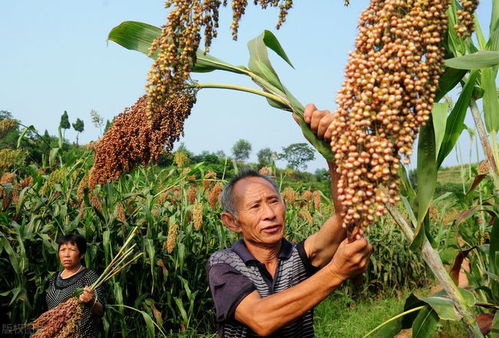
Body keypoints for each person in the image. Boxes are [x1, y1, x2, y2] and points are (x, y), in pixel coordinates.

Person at [207, 104, 373, 337]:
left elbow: (346, 216)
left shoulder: (297, 257)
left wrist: (333, 150)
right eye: (255, 206)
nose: (269, 213)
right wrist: (336, 272)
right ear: (231, 221)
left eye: (274, 201)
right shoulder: (224, 264)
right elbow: (261, 318)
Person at [45, 233, 105, 337]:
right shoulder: (54, 278)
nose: (66, 254)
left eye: (72, 250)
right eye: (63, 250)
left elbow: (100, 311)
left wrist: (91, 302)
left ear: (81, 254)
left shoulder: (89, 277)